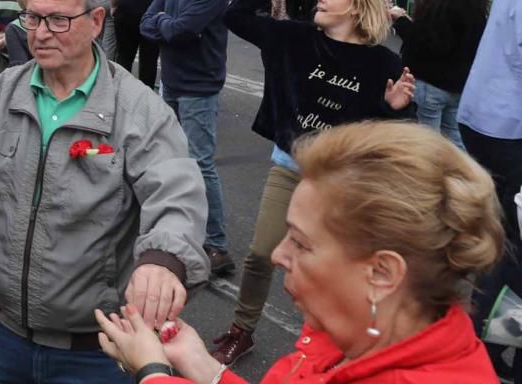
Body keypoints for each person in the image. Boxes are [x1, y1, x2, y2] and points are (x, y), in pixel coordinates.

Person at [0, 0, 208, 384]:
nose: (40, 33)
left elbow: (177, 196)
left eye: (58, 20)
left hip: (96, 350)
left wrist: (162, 260)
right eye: (32, 17)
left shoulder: (140, 111)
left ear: (96, 20)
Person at [95, 121, 503, 384]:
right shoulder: (358, 338)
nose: (277, 255)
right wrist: (203, 366)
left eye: (301, 242)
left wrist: (152, 373)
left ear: (382, 273)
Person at [209, 0, 416, 364]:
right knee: (260, 252)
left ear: (355, 8)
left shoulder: (383, 64)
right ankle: (242, 330)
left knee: (335, 269)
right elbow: (235, 17)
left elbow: (398, 138)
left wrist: (394, 111)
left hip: (343, 183)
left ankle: (332, 345)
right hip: (290, 166)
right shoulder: (294, 39)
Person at [141, 0, 234, 274]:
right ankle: (181, 229)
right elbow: (149, 21)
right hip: (174, 81)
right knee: (172, 159)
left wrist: (167, 25)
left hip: (199, 84)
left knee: (199, 163)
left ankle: (218, 246)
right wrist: (168, 24)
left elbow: (182, 30)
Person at [457, 0, 522, 380]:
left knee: (503, 236)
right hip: (507, 124)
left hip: (488, 114)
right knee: (513, 245)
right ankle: (492, 342)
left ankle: (487, 342)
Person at [389, 0, 486, 151]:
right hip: (457, 83)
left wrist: (400, 20)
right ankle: (465, 178)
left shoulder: (439, 6)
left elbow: (426, 42)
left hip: (430, 82)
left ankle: (430, 181)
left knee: (426, 143)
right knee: (454, 139)